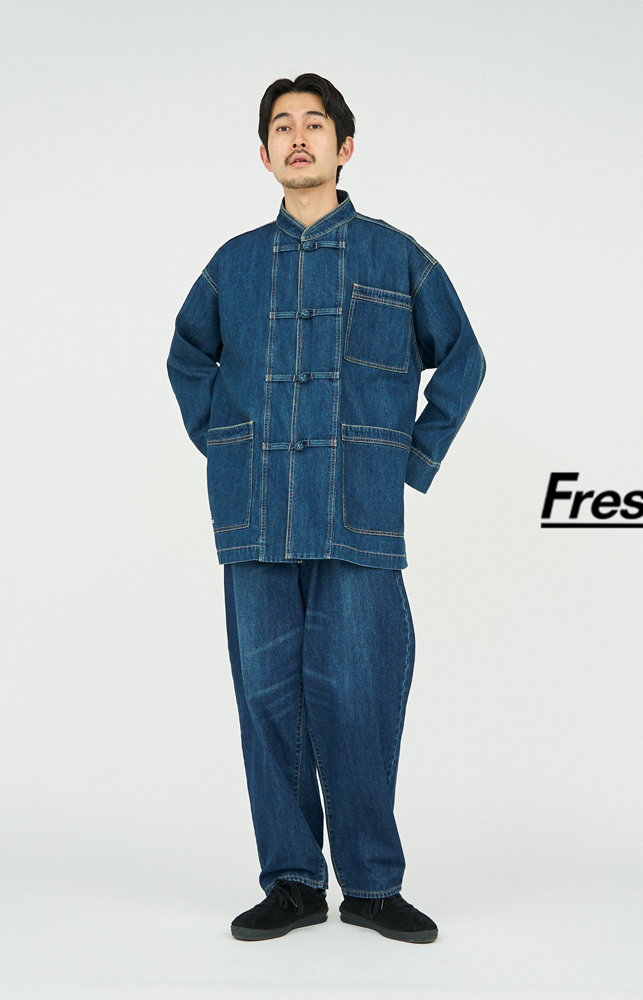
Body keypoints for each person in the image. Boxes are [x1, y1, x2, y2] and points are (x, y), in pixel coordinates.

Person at [167, 73, 485, 944]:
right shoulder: (233, 265)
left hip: (358, 515)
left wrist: (409, 461)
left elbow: (462, 359)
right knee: (268, 702)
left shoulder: (396, 256)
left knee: (360, 697)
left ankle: (374, 885)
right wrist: (229, 449)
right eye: (282, 126)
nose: (298, 137)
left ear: (346, 148)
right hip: (256, 517)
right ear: (264, 153)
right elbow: (187, 358)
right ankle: (294, 881)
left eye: (315, 124)